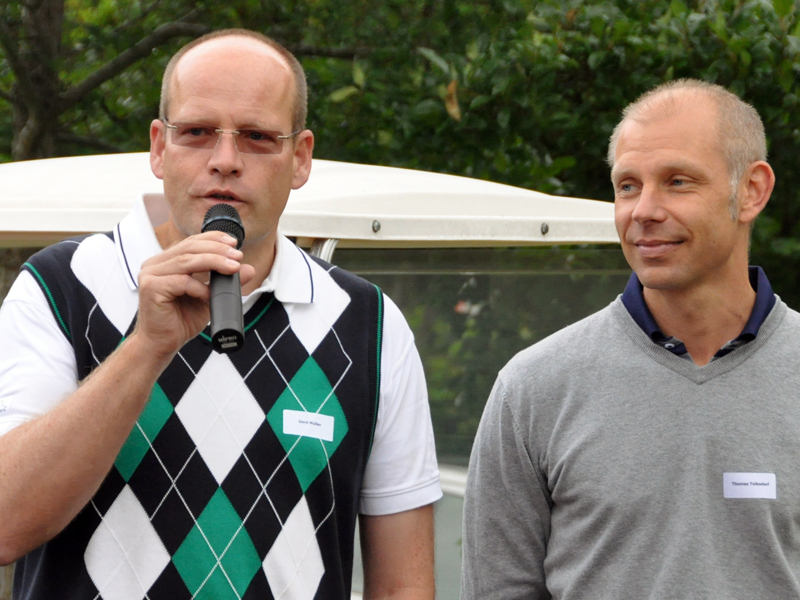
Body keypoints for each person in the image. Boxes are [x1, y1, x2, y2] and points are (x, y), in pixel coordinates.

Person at [0, 29, 441, 600]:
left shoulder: (369, 324)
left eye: (257, 137)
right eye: (197, 132)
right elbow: (6, 523)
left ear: (301, 158)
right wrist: (146, 348)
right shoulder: (60, 287)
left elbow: (404, 585)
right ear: (158, 147)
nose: (225, 161)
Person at [461, 78, 800, 598]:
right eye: (627, 186)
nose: (643, 210)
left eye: (678, 181)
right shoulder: (533, 388)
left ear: (752, 190)